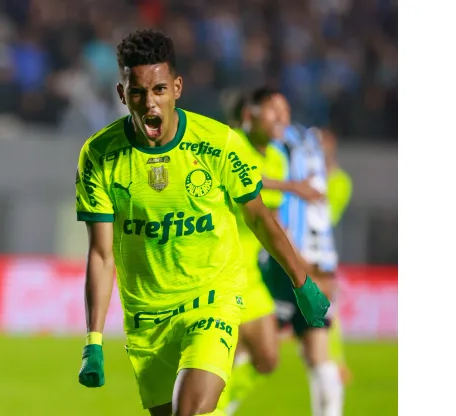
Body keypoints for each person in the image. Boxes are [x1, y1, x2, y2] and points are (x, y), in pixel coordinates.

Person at [74, 29, 330, 416]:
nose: (149, 103)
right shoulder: (99, 155)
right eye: (138, 92)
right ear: (122, 94)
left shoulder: (218, 144)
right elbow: (101, 253)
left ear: (177, 87)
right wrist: (93, 339)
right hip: (147, 319)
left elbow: (259, 217)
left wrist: (302, 282)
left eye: (159, 89)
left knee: (189, 411)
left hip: (212, 301)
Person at [217, 88, 323, 415]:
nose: (282, 117)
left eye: (286, 110)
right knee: (218, 361)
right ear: (250, 114)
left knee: (268, 357)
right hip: (217, 272)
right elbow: (250, 181)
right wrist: (293, 187)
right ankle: (211, 408)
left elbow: (270, 218)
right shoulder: (229, 142)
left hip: (250, 275)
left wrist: (298, 262)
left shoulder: (277, 156)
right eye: (274, 109)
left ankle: (217, 406)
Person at [262, 92, 344, 416]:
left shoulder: (281, 149)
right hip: (317, 261)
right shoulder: (319, 166)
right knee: (317, 355)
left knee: (252, 348)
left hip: (290, 263)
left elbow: (275, 210)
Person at [319, 127, 353, 384]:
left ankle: (335, 362)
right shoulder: (302, 175)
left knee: (329, 308)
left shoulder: (340, 181)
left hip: (320, 252)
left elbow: (327, 215)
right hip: (291, 250)